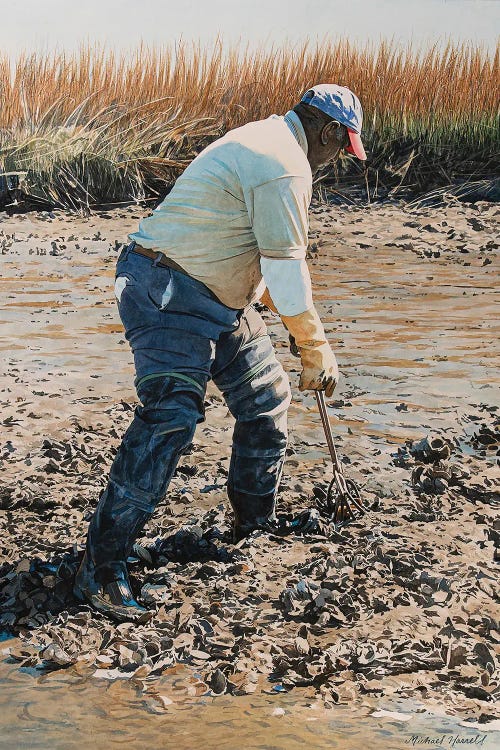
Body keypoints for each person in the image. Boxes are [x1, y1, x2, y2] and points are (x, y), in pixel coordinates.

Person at [73, 84, 367, 622]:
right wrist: (314, 345)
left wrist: (304, 343)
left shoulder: (270, 144)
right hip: (166, 289)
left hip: (217, 297)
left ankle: (253, 522)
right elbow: (284, 267)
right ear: (329, 132)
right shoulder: (282, 164)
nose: (334, 163)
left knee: (266, 398)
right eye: (339, 150)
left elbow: (271, 269)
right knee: (172, 417)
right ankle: (100, 567)